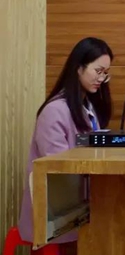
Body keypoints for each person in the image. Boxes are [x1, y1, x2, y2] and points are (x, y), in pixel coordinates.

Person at [18, 37, 114, 243]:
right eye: (98, 71)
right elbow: (59, 168)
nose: (101, 78)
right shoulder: (55, 111)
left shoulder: (87, 108)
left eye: (105, 73)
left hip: (78, 200)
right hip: (57, 207)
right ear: (79, 68)